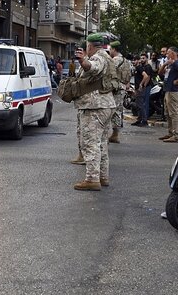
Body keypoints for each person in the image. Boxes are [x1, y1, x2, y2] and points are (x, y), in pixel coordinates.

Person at [72, 34, 117, 191]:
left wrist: (83, 61)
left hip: (95, 106)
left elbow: (93, 68)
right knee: (102, 143)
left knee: (90, 143)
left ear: (90, 46)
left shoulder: (98, 57)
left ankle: (92, 179)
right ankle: (102, 176)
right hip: (106, 105)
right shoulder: (107, 57)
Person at [158, 47, 178, 143]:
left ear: (173, 53)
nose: (166, 55)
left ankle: (176, 134)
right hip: (167, 89)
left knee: (173, 113)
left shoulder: (176, 63)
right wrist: (165, 64)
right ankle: (170, 132)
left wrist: (177, 81)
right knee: (167, 113)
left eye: (168, 53)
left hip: (173, 90)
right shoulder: (170, 64)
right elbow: (160, 73)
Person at [108, 41, 131, 144]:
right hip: (122, 87)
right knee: (118, 110)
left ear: (114, 49)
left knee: (112, 111)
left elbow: (108, 72)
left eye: (110, 49)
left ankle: (114, 134)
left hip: (115, 88)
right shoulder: (126, 61)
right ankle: (115, 134)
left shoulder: (115, 60)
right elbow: (130, 73)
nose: (109, 51)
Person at [70, 46, 86, 165]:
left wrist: (82, 60)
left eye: (81, 51)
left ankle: (87, 158)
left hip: (89, 104)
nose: (78, 53)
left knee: (86, 133)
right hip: (82, 103)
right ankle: (81, 155)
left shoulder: (91, 63)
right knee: (80, 131)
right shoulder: (81, 65)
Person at [132, 53, 153, 127]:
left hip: (142, 88)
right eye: (133, 60)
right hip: (138, 88)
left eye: (135, 60)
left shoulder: (141, 68)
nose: (133, 62)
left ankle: (144, 120)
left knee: (141, 104)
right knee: (138, 104)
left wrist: (142, 85)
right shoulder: (139, 67)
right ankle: (139, 119)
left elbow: (147, 76)